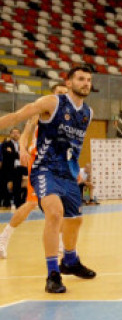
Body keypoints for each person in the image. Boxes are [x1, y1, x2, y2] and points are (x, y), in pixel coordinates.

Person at [0, 67, 97, 293]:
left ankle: (70, 261)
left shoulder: (88, 113)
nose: (86, 83)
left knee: (75, 221)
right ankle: (53, 273)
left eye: (89, 80)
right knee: (54, 213)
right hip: (45, 169)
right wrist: (23, 147)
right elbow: (18, 117)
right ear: (69, 82)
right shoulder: (51, 103)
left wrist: (79, 171)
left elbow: (73, 145)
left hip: (68, 173)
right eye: (81, 79)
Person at [0, 83, 68, 259]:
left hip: (58, 164)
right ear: (53, 94)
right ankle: (3, 238)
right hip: (39, 161)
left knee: (61, 205)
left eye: (65, 93)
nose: (62, 95)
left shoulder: (70, 116)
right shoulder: (43, 112)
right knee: (31, 203)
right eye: (59, 92)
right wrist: (22, 148)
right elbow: (27, 131)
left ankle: (60, 244)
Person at [0, 128, 23, 209]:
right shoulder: (6, 144)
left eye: (17, 133)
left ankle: (18, 204)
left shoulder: (23, 144)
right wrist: (18, 155)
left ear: (20, 134)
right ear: (10, 134)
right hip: (7, 168)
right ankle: (7, 202)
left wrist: (13, 153)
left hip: (19, 168)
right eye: (13, 133)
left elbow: (25, 155)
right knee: (3, 185)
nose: (15, 134)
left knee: (18, 187)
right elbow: (7, 155)